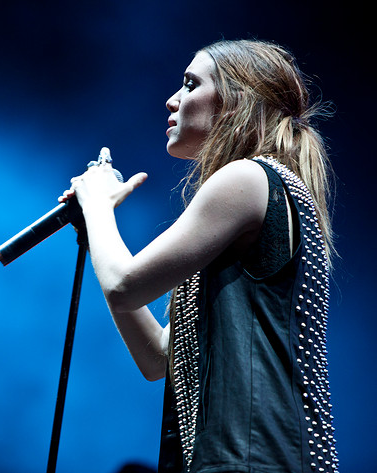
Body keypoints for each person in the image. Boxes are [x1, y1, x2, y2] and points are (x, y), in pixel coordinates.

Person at [60, 39, 338, 473]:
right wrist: (96, 227)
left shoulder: (247, 178)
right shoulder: (265, 188)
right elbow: (157, 358)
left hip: (253, 459)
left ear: (236, 102)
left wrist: (97, 206)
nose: (172, 99)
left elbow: (124, 284)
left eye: (190, 84)